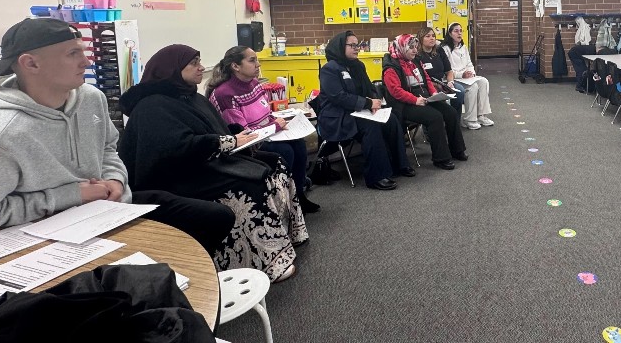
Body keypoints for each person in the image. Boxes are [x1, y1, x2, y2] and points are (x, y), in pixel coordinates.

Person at [0, 19, 234, 256]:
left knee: (214, 217)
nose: (86, 62)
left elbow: (107, 149)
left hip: (105, 210)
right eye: (73, 53)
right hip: (47, 233)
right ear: (31, 64)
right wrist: (69, 196)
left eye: (84, 51)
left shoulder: (90, 98)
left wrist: (115, 181)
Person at [118, 44, 308, 282]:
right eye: (194, 63)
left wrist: (235, 134)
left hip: (208, 161)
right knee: (248, 187)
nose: (201, 67)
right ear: (174, 69)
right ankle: (262, 262)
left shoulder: (192, 97)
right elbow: (176, 148)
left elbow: (214, 129)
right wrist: (229, 141)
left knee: (275, 163)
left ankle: (284, 238)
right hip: (180, 176)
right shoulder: (152, 106)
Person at [206, 45, 320, 213]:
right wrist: (274, 126)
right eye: (252, 60)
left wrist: (277, 122)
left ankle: (298, 196)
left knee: (299, 145)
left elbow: (267, 113)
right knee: (284, 151)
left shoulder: (254, 83)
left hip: (269, 133)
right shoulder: (224, 95)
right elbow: (243, 133)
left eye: (257, 60)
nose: (258, 64)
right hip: (249, 144)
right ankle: (285, 203)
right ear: (235, 66)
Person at [317, 31, 413, 190]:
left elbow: (370, 88)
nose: (357, 49)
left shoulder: (358, 65)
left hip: (359, 111)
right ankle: (377, 176)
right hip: (338, 117)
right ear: (341, 46)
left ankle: (399, 165)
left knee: (391, 119)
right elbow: (339, 97)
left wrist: (376, 103)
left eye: (358, 45)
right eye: (352, 45)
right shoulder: (329, 69)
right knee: (371, 126)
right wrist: (368, 104)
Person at [383, 34, 467, 169]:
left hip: (424, 98)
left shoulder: (415, 60)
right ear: (401, 48)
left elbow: (426, 79)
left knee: (450, 112)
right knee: (435, 117)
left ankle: (457, 150)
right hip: (405, 104)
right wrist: (415, 100)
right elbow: (396, 91)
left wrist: (434, 93)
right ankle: (441, 158)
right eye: (411, 48)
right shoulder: (391, 67)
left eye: (416, 47)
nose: (415, 50)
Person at [442, 22, 494, 130]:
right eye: (456, 31)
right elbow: (447, 70)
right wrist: (462, 74)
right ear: (450, 34)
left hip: (466, 78)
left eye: (461, 31)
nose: (459, 33)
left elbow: (469, 64)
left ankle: (481, 116)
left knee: (483, 81)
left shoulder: (463, 47)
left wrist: (471, 73)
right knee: (473, 87)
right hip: (454, 78)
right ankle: (469, 119)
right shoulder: (445, 49)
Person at [416, 26, 464, 115]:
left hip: (442, 83)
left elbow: (449, 71)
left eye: (433, 36)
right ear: (421, 39)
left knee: (459, 90)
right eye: (428, 36)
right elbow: (419, 79)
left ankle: (454, 121)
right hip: (427, 86)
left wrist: (450, 83)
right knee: (439, 99)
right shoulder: (417, 55)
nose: (432, 38)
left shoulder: (439, 50)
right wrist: (436, 85)